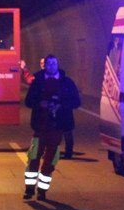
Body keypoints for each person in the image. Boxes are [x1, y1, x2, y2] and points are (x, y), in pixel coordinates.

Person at [23, 54, 81, 201]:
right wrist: (40, 103)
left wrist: (60, 106)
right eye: (49, 63)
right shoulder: (37, 82)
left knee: (50, 161)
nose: (51, 66)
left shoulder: (67, 83)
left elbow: (76, 102)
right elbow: (28, 101)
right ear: (45, 65)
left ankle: (42, 191)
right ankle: (29, 189)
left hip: (57, 127)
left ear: (58, 64)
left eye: (54, 63)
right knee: (34, 157)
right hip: (40, 127)